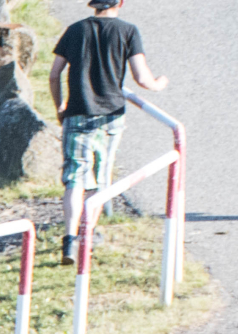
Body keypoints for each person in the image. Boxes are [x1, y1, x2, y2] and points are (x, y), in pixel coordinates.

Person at [49, 0, 168, 265]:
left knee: (74, 177)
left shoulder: (75, 30)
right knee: (100, 176)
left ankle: (69, 239)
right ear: (120, 2)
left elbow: (54, 74)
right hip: (110, 116)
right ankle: (87, 235)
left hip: (77, 113)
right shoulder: (128, 31)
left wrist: (60, 106)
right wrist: (159, 84)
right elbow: (141, 77)